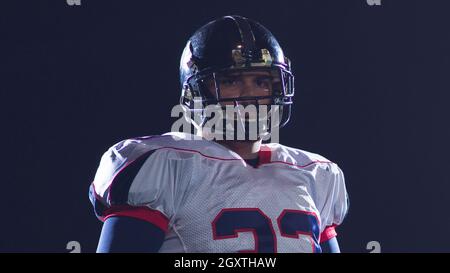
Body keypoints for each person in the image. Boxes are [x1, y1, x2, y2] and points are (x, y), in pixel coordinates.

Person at [89, 15, 349, 253]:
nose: (249, 95)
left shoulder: (315, 175)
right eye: (230, 81)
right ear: (196, 93)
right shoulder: (167, 166)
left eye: (261, 82)